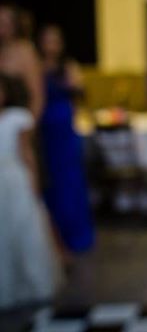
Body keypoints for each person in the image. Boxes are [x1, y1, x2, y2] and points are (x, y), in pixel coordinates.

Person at [0, 73, 60, 309]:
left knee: (23, 226)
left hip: (15, 179)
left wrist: (34, 180)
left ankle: (33, 284)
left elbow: (26, 153)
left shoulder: (17, 118)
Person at [38, 24, 95, 254]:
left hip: (64, 128)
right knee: (50, 183)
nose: (51, 45)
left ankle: (76, 235)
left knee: (70, 182)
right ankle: (54, 236)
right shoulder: (37, 66)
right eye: (47, 40)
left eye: (55, 40)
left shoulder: (68, 66)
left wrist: (73, 87)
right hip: (45, 128)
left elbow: (82, 94)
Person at [0, 3, 44, 120]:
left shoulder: (26, 51)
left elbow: (37, 96)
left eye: (6, 22)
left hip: (18, 123)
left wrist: (30, 127)